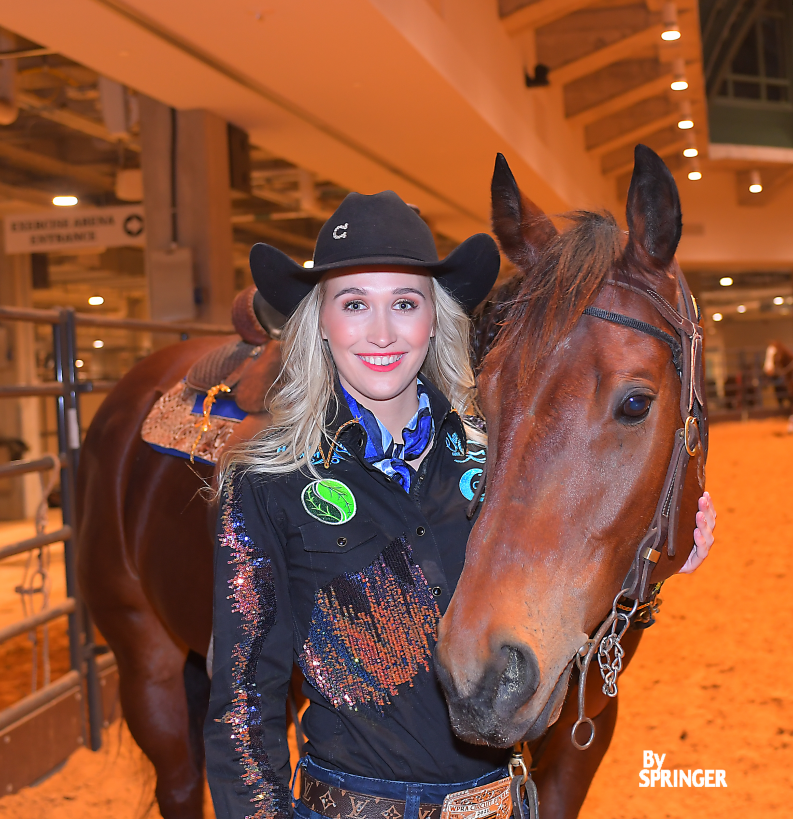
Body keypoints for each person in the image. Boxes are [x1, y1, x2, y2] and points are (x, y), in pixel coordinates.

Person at [204, 192, 717, 819]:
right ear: (321, 321)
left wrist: (649, 566)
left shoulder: (493, 458)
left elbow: (557, 579)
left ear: (434, 318)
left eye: (405, 303)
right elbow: (242, 707)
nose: (383, 332)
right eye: (355, 303)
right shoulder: (267, 479)